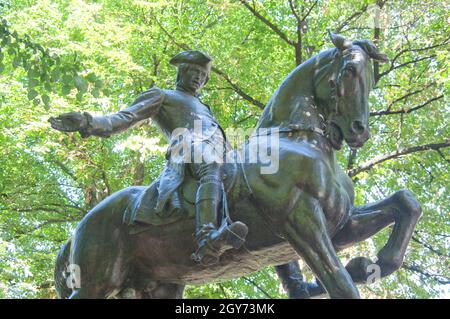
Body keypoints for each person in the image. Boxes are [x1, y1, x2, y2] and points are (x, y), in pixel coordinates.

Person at [49, 50, 248, 265]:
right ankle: (207, 237)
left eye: (203, 75)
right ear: (181, 73)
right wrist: (89, 122)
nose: (199, 77)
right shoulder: (162, 95)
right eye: (194, 71)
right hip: (188, 147)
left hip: (220, 149)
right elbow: (127, 117)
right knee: (211, 164)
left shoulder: (205, 107)